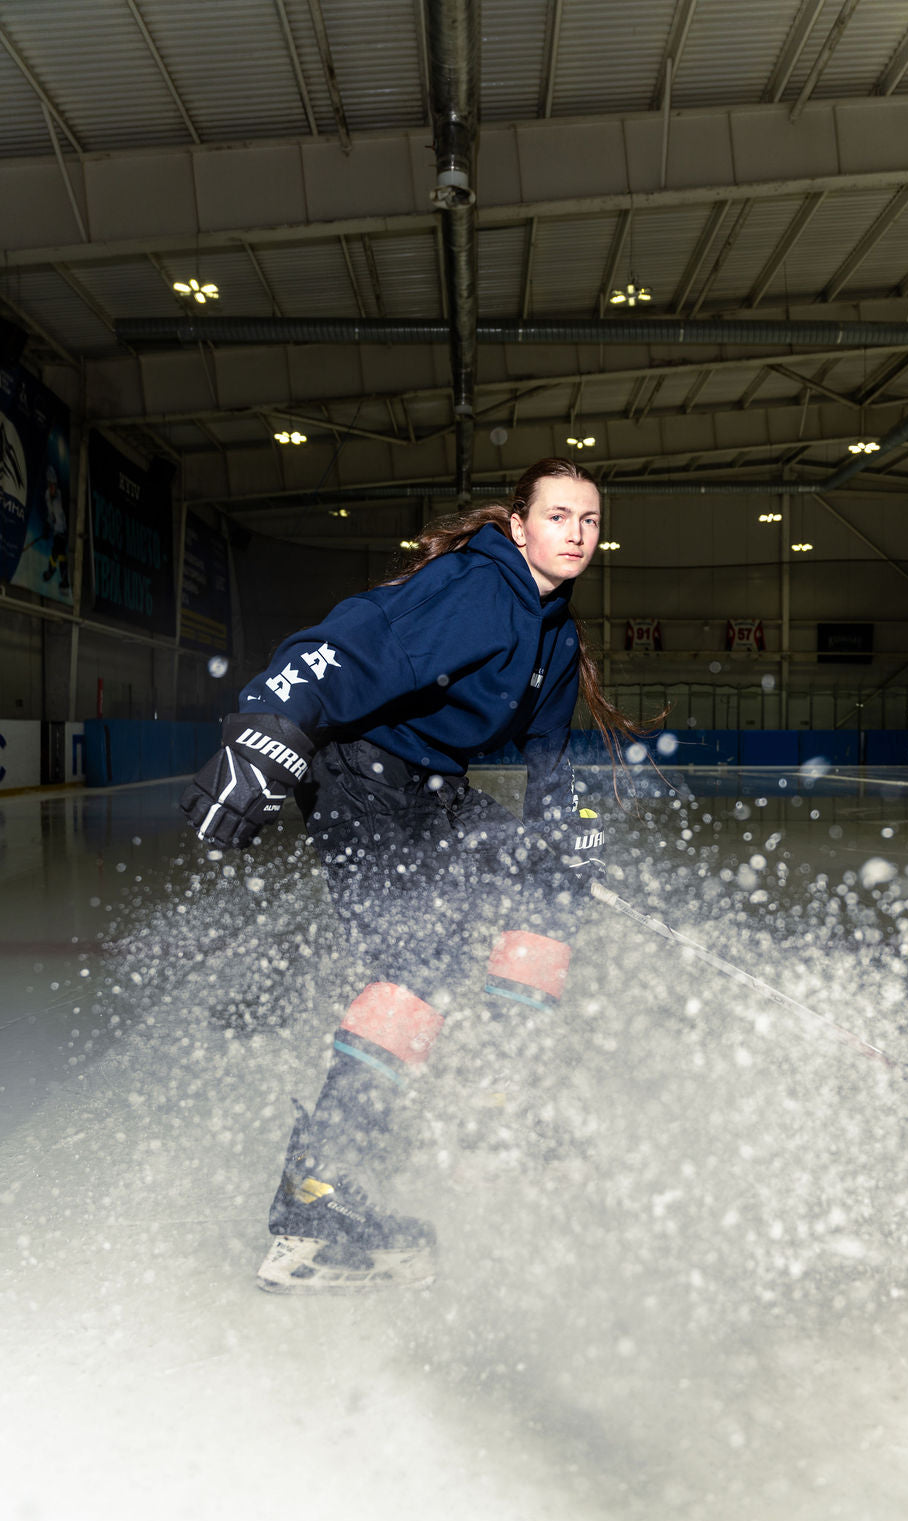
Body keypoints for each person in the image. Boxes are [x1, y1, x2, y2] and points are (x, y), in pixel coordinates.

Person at [181, 456, 643, 1292]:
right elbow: (346, 640)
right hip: (362, 775)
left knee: (545, 885)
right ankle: (312, 1205)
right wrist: (264, 725)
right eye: (559, 516)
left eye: (591, 522)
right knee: (419, 966)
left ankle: (507, 1093)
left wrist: (573, 833)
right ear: (518, 525)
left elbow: (551, 763)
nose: (577, 533)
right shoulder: (477, 587)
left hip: (436, 791)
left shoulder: (556, 630)